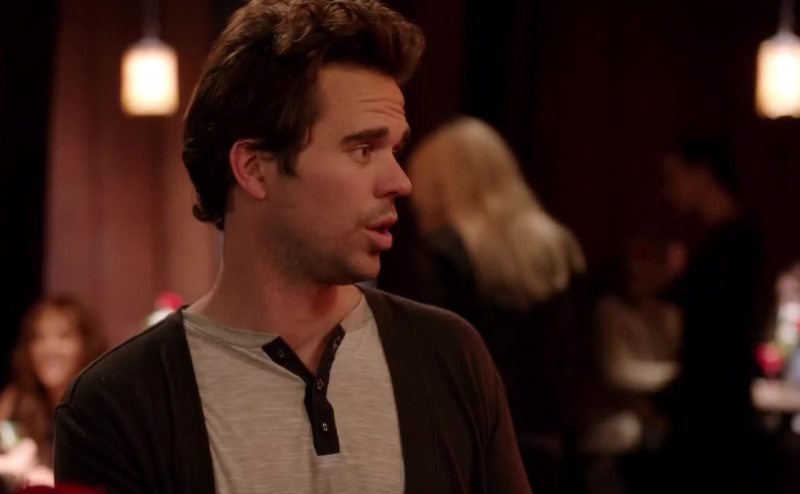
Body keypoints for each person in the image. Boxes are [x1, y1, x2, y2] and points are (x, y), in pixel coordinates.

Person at [53, 2, 531, 493]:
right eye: (363, 150)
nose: (400, 181)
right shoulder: (116, 405)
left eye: (394, 150)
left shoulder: (448, 357)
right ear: (254, 169)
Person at [407, 117, 585, 494]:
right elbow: (572, 362)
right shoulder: (557, 246)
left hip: (472, 440)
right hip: (547, 437)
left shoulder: (443, 254)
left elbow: (432, 367)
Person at [659, 135, 763, 493]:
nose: (666, 190)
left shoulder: (732, 243)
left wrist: (674, 282)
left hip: (713, 406)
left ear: (703, 173)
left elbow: (713, 328)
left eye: (672, 177)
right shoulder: (729, 240)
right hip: (715, 401)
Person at [0, 296, 105, 490]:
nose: (49, 348)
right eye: (39, 338)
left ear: (86, 344)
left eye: (63, 336)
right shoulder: (15, 398)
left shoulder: (101, 408)